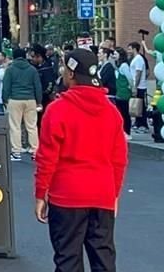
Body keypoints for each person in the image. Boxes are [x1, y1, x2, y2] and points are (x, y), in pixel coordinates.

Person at [35, 48, 128, 272]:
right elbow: (119, 159)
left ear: (71, 73)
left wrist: (41, 194)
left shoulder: (57, 110)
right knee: (104, 259)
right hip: (102, 193)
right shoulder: (111, 111)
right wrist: (114, 193)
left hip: (67, 195)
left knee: (67, 258)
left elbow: (47, 157)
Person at [2, 47, 42, 161]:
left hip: (15, 99)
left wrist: (5, 99)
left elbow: (6, 87)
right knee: (32, 126)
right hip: (30, 100)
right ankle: (35, 151)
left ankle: (16, 152)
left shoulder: (10, 69)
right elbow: (37, 87)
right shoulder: (32, 69)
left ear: (14, 56)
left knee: (15, 126)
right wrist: (39, 101)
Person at [127, 42, 149, 132]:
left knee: (141, 106)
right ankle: (138, 123)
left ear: (134, 49)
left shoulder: (139, 59)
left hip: (140, 86)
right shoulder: (135, 59)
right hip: (138, 85)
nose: (128, 51)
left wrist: (135, 86)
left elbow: (138, 73)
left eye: (129, 49)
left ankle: (143, 125)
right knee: (137, 106)